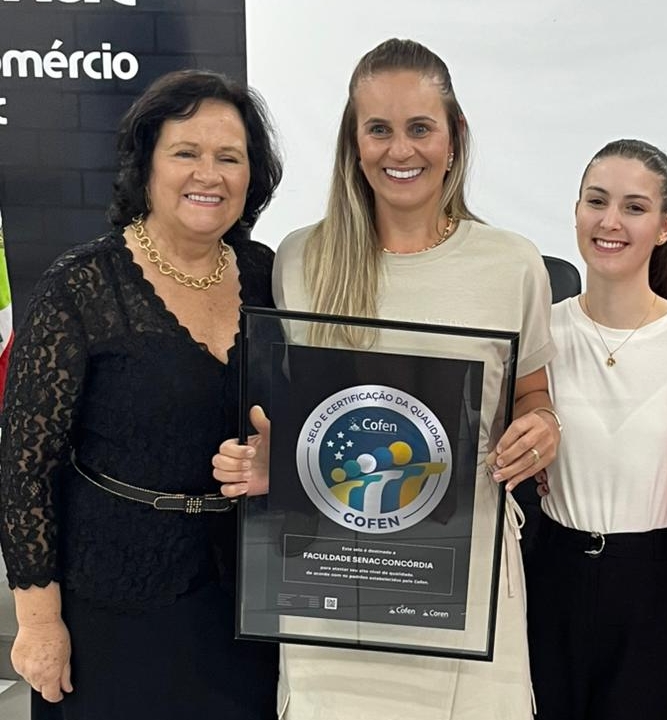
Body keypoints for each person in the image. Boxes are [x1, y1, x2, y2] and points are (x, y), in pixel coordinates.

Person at [213, 38, 558, 720]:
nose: (401, 150)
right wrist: (274, 459)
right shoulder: (301, 259)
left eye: (420, 128)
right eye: (379, 129)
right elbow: (311, 415)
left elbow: (531, 394)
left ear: (455, 137)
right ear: (355, 141)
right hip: (335, 585)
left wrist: (542, 427)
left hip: (465, 587)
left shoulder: (513, 264)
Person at [0, 69, 283, 719]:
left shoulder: (269, 274)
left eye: (229, 157)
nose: (208, 174)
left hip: (246, 603)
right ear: (146, 164)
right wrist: (38, 624)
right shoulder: (81, 286)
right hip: (112, 602)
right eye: (185, 152)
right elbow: (25, 470)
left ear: (252, 175)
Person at [525, 139, 667, 720]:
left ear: (665, 226)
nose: (610, 221)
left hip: (658, 591)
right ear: (576, 211)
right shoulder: (539, 334)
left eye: (634, 207)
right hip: (550, 576)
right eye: (597, 201)